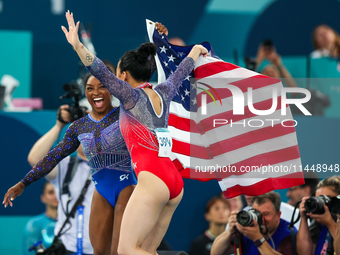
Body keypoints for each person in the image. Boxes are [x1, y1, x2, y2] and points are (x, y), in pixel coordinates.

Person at [60, 11, 208, 255]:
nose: (115, 76)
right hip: (174, 181)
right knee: (146, 251)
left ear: (124, 76)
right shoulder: (164, 90)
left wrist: (76, 45)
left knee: (127, 250)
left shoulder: (129, 96)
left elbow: (97, 68)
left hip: (152, 179)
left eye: (117, 72)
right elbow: (183, 69)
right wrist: (195, 51)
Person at [3, 70, 137, 254]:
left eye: (102, 87)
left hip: (125, 187)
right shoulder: (78, 128)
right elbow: (51, 157)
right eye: (90, 89)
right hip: (95, 204)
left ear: (111, 91)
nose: (96, 92)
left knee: (121, 251)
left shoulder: (125, 115)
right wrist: (23, 182)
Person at [211, 191, 297, 255]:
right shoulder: (248, 227)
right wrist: (230, 231)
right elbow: (215, 253)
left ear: (278, 215)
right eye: (257, 213)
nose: (261, 219)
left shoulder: (287, 233)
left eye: (266, 214)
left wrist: (257, 238)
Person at [297, 176, 340, 255]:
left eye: (326, 198)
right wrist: (303, 218)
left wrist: (330, 224)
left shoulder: (335, 221)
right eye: (318, 199)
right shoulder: (319, 221)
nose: (321, 203)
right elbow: (304, 253)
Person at [22, 181, 58, 255]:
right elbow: (29, 252)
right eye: (51, 192)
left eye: (59, 191)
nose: (56, 196)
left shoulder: (74, 222)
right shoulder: (34, 224)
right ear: (43, 198)